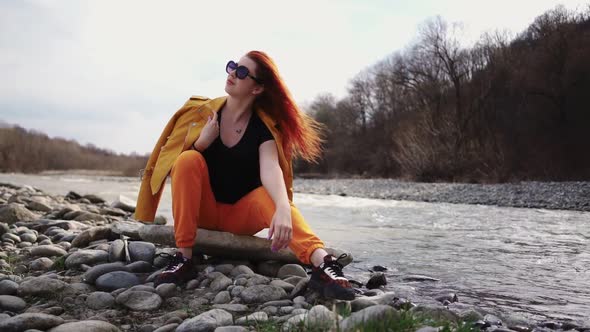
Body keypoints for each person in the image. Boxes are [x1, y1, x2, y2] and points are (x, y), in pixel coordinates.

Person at [135, 50, 354, 300]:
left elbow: (271, 168)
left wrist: (283, 207)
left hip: (241, 218)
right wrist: (201, 144)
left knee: (269, 197)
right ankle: (183, 258)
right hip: (203, 212)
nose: (232, 74)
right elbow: (177, 169)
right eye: (232, 67)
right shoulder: (204, 116)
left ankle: (323, 263)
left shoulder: (263, 128)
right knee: (188, 158)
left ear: (257, 88)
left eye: (241, 72)